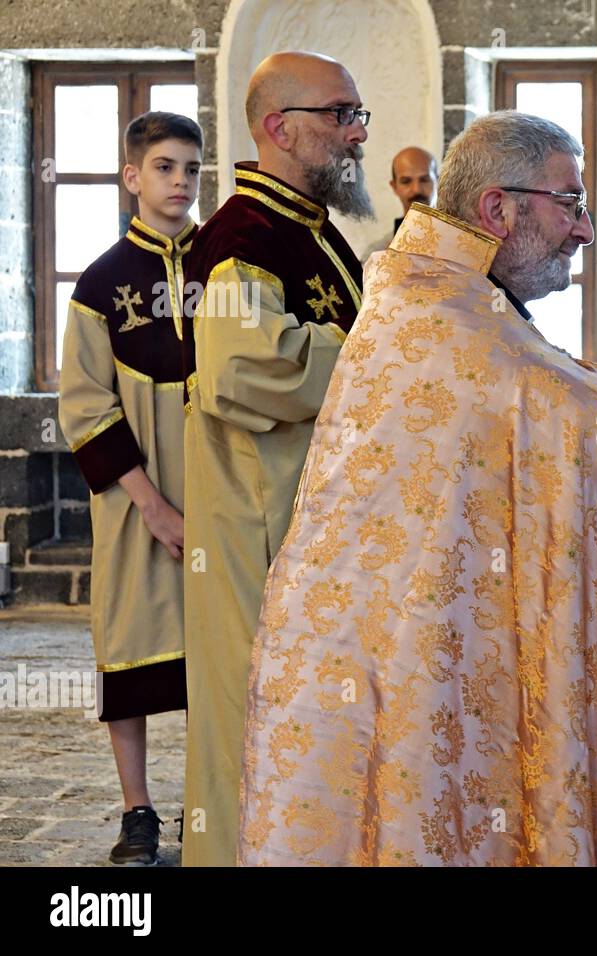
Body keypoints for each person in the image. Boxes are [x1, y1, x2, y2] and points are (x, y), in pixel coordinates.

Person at [237, 111, 597, 866]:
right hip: (405, 669)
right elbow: (585, 434)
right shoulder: (447, 317)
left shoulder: (439, 293)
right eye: (570, 204)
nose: (583, 231)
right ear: (498, 209)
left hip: (390, 651)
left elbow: (570, 403)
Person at [180, 50, 370, 866]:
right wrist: (373, 354)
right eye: (340, 115)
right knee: (255, 722)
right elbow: (238, 371)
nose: (356, 134)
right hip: (259, 525)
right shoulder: (243, 237)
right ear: (277, 127)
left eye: (359, 115)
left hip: (303, 519)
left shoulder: (309, 232)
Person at [57, 111, 200, 865]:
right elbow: (84, 402)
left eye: (191, 170)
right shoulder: (102, 283)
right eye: (165, 167)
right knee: (132, 651)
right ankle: (138, 810)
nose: (179, 182)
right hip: (135, 503)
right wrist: (152, 506)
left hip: (220, 499)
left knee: (221, 657)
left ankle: (210, 805)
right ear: (132, 177)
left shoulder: (226, 269)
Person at [359, 146, 438, 259]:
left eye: (424, 180)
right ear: (394, 186)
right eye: (406, 181)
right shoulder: (377, 255)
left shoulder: (461, 243)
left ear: (438, 181)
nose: (416, 189)